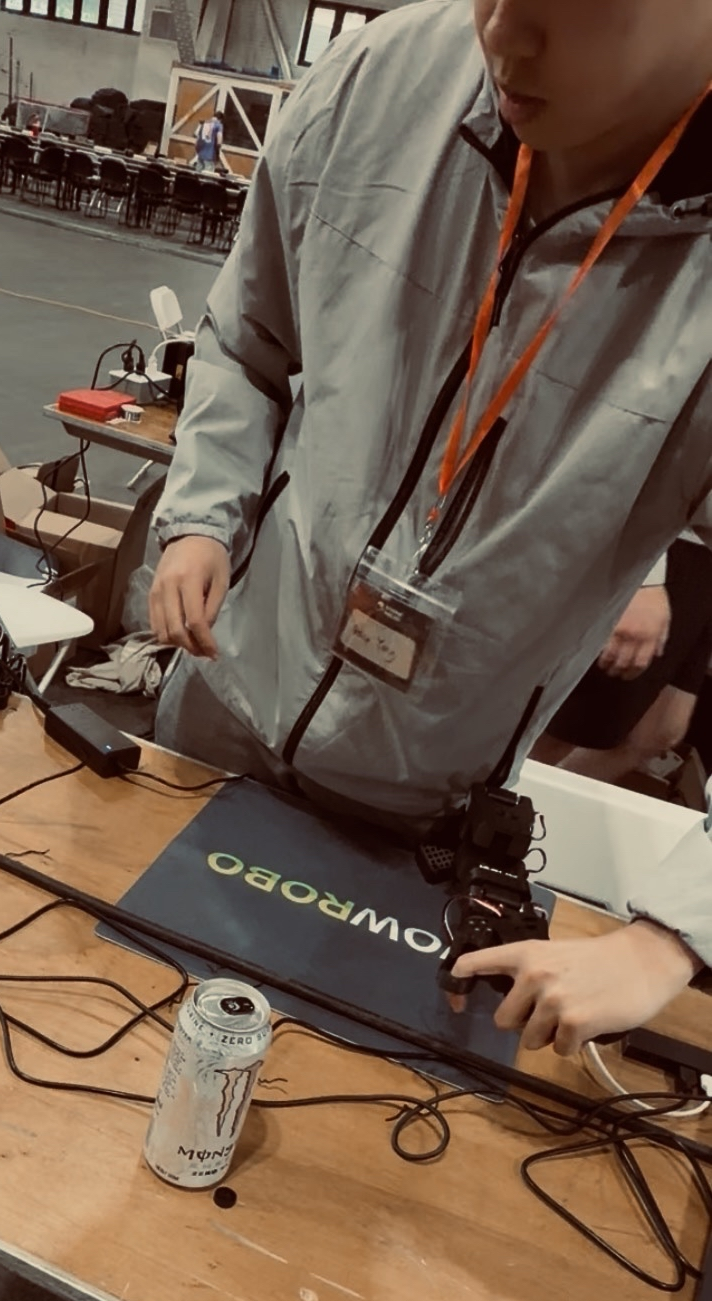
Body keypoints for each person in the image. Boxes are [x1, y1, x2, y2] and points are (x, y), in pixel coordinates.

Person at [147, 0, 712, 1057]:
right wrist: (203, 517)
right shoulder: (383, 77)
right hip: (215, 711)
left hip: (416, 808)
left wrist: (673, 936)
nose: (502, 36)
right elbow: (248, 337)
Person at [533, 537, 712, 785]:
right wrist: (645, 580)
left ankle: (544, 796)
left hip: (704, 566)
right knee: (566, 730)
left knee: (661, 731)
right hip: (673, 544)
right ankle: (503, 794)